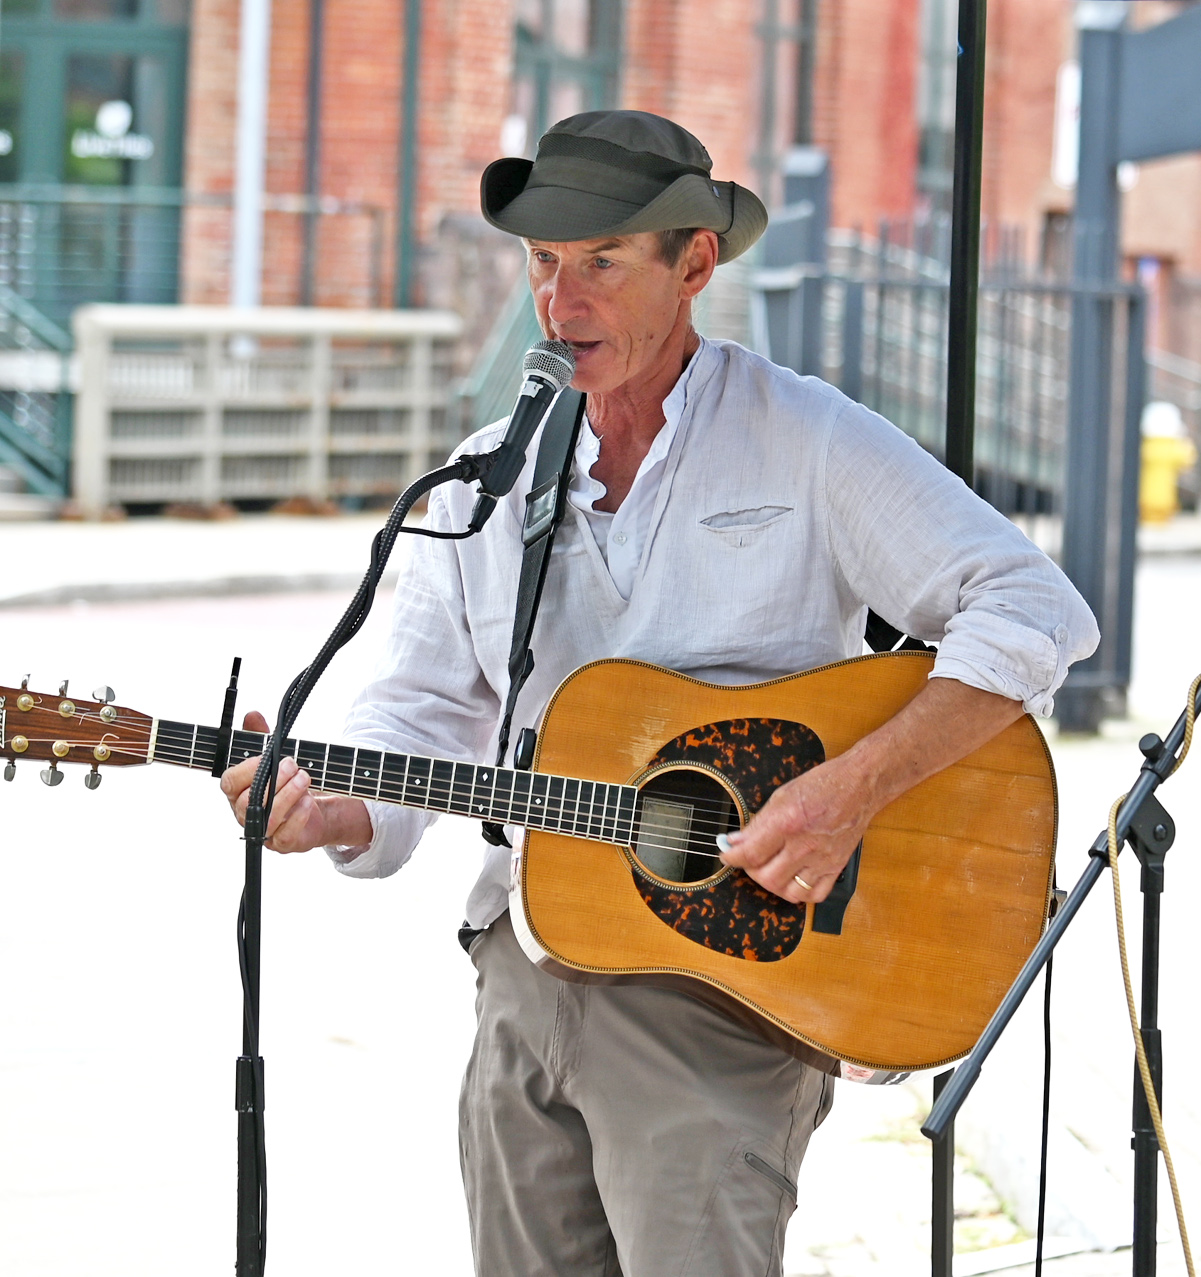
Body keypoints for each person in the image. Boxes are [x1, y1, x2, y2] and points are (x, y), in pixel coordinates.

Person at [217, 110, 1099, 1276]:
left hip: (727, 996)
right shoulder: (490, 473)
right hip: (525, 968)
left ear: (694, 263)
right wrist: (334, 809)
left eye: (600, 262)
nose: (560, 300)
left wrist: (848, 790)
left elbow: (1034, 609)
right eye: (543, 262)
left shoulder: (806, 439)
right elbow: (416, 713)